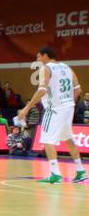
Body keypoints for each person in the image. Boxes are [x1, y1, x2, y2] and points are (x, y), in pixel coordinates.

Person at [16, 46, 85, 184]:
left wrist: (26, 108)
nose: (37, 59)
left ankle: (55, 174)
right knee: (68, 139)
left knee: (47, 140)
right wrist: (67, 101)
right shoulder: (66, 67)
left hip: (54, 109)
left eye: (38, 56)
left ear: (45, 56)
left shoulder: (46, 68)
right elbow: (78, 90)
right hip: (68, 107)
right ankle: (80, 171)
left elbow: (42, 90)